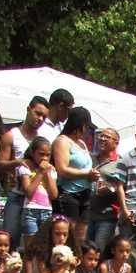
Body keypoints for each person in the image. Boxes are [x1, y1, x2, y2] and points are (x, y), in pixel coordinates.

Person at [0, 96, 50, 245]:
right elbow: (0, 164)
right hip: (17, 194)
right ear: (28, 109)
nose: (40, 119)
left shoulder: (42, 140)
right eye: (37, 113)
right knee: (9, 239)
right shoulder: (11, 135)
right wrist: (18, 162)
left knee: (35, 244)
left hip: (36, 199)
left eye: (44, 117)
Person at [52, 106, 97, 251]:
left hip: (86, 193)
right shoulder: (62, 141)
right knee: (67, 234)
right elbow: (62, 169)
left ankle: (76, 260)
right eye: (86, 127)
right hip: (68, 194)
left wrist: (92, 176)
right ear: (80, 125)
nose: (87, 131)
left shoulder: (82, 143)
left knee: (80, 237)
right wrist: (86, 174)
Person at [18, 137, 58, 242]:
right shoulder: (26, 168)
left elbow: (54, 195)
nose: (44, 158)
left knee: (44, 243)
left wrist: (47, 173)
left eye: (48, 155)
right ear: (33, 153)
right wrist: (40, 172)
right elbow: (29, 192)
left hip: (47, 211)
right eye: (41, 154)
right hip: (30, 211)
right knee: (31, 244)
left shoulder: (51, 170)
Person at [87, 128, 121, 250]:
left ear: (116, 142)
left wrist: (109, 189)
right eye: (101, 136)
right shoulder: (89, 158)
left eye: (107, 137)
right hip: (87, 214)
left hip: (107, 217)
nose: (102, 139)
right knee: (85, 251)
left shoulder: (120, 163)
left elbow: (123, 186)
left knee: (99, 251)